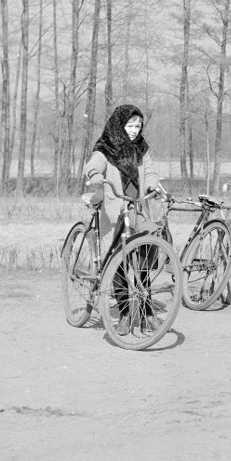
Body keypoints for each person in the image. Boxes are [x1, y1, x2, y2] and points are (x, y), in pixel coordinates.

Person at [83, 104, 161, 334]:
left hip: (138, 209)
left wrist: (152, 184)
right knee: (118, 261)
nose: (135, 130)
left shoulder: (142, 149)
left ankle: (146, 314)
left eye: (138, 126)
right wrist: (96, 176)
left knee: (143, 260)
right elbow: (93, 165)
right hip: (115, 210)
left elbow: (151, 171)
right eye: (130, 125)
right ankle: (125, 313)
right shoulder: (105, 149)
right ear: (119, 125)